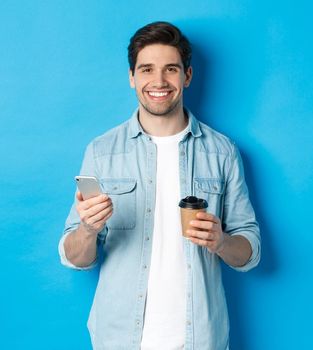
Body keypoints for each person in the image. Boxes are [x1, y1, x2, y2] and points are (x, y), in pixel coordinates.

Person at [58, 21, 261, 349]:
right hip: (118, 340)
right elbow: (73, 257)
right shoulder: (101, 151)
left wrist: (221, 241)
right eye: (146, 69)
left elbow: (250, 253)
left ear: (187, 76)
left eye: (170, 69)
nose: (158, 81)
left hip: (201, 340)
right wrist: (88, 229)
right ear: (131, 77)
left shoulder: (223, 152)